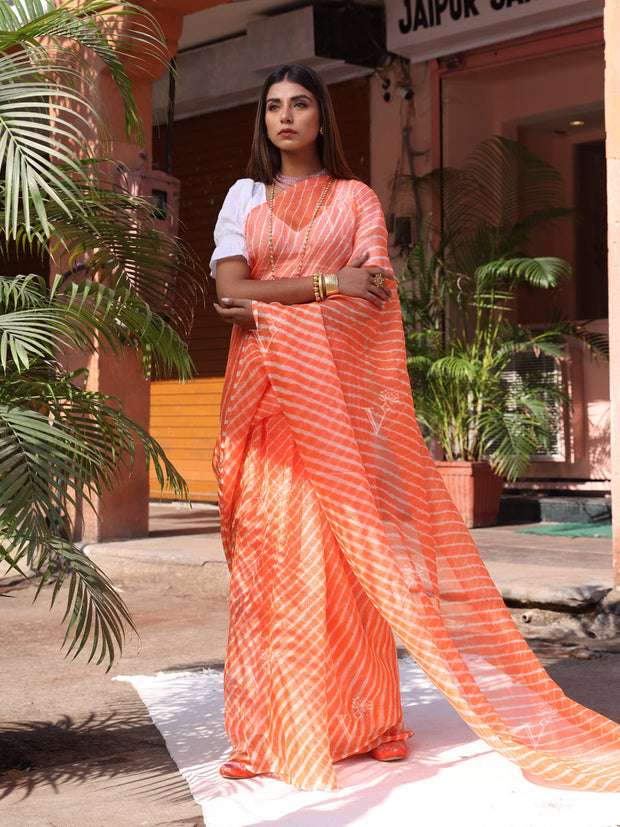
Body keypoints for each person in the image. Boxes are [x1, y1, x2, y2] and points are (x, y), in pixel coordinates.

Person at [210, 63, 620, 793]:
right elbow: (231, 291)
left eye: (300, 103)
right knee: (274, 567)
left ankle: (371, 721)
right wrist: (326, 286)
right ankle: (266, 727)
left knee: (354, 565)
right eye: (272, 105)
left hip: (338, 408)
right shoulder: (245, 197)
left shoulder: (356, 197)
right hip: (267, 404)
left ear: (321, 115)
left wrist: (276, 306)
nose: (285, 117)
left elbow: (378, 294)